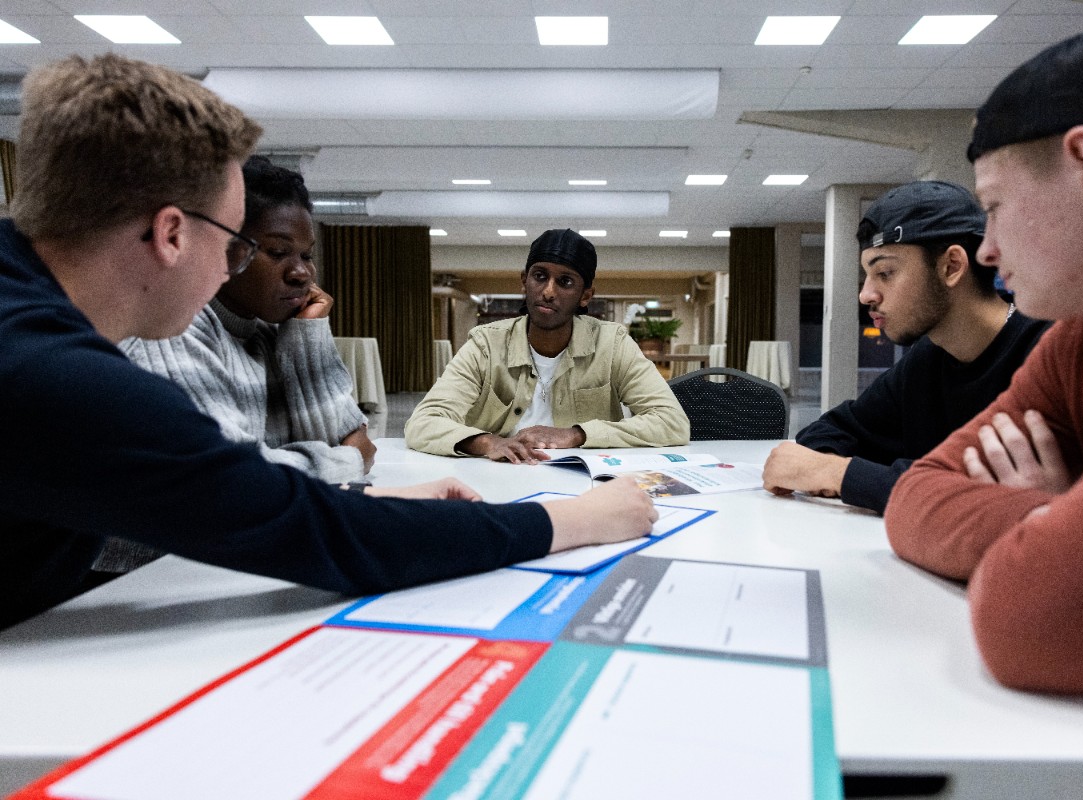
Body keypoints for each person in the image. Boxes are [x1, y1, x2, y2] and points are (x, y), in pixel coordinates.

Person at [0, 53, 655, 632]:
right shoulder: (55, 374)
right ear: (172, 234)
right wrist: (577, 521)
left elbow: (252, 498)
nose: (230, 267)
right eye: (234, 244)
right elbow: (323, 539)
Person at [885, 27, 1083, 694]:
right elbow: (915, 495)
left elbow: (1033, 625)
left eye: (994, 207)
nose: (988, 250)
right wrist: (1069, 525)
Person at [762, 181, 1049, 513]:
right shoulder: (928, 359)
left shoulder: (1046, 352)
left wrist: (840, 474)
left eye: (885, 272)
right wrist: (827, 469)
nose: (866, 295)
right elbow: (832, 430)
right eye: (868, 275)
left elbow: (986, 496)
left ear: (951, 266)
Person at [122, 155, 373, 484]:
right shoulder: (172, 331)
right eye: (278, 253)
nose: (303, 273)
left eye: (307, 255)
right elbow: (230, 477)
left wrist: (307, 336)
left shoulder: (271, 331)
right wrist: (348, 461)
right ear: (220, 248)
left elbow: (344, 439)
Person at [405, 228, 690, 462]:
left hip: (585, 484)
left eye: (565, 282)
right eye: (540, 276)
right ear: (524, 282)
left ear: (585, 295)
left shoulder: (611, 343)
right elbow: (423, 422)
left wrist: (576, 434)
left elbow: (672, 422)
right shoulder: (486, 344)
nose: (548, 291)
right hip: (497, 478)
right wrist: (488, 442)